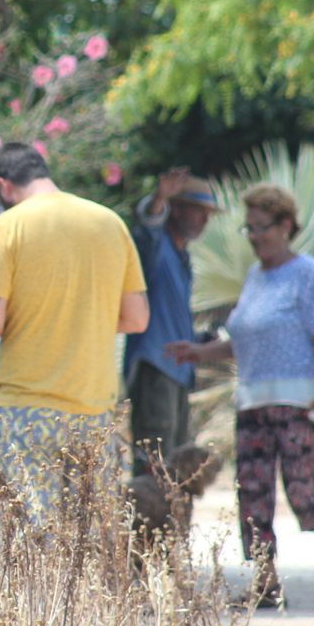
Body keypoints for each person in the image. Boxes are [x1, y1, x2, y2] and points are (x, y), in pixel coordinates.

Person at [168, 183, 314, 609]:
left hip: (298, 404)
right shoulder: (257, 277)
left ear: (286, 226)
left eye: (263, 228)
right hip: (252, 403)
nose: (256, 237)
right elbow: (244, 338)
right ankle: (266, 582)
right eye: (250, 229)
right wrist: (199, 352)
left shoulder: (307, 273)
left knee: (305, 492)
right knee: (253, 495)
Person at [0, 142, 149, 522]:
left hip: (28, 407)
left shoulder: (10, 225)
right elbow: (137, 318)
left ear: (4, 186)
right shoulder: (109, 223)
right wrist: (86, 316)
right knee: (90, 536)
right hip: (94, 408)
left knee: (27, 537)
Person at [123, 167, 220, 476]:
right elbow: (147, 225)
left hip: (177, 371)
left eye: (208, 213)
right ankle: (149, 524)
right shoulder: (156, 246)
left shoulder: (181, 256)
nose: (205, 220)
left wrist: (201, 341)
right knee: (154, 463)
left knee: (175, 464)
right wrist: (158, 198)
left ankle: (169, 524)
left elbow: (172, 316)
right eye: (198, 211)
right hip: (156, 367)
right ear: (176, 210)